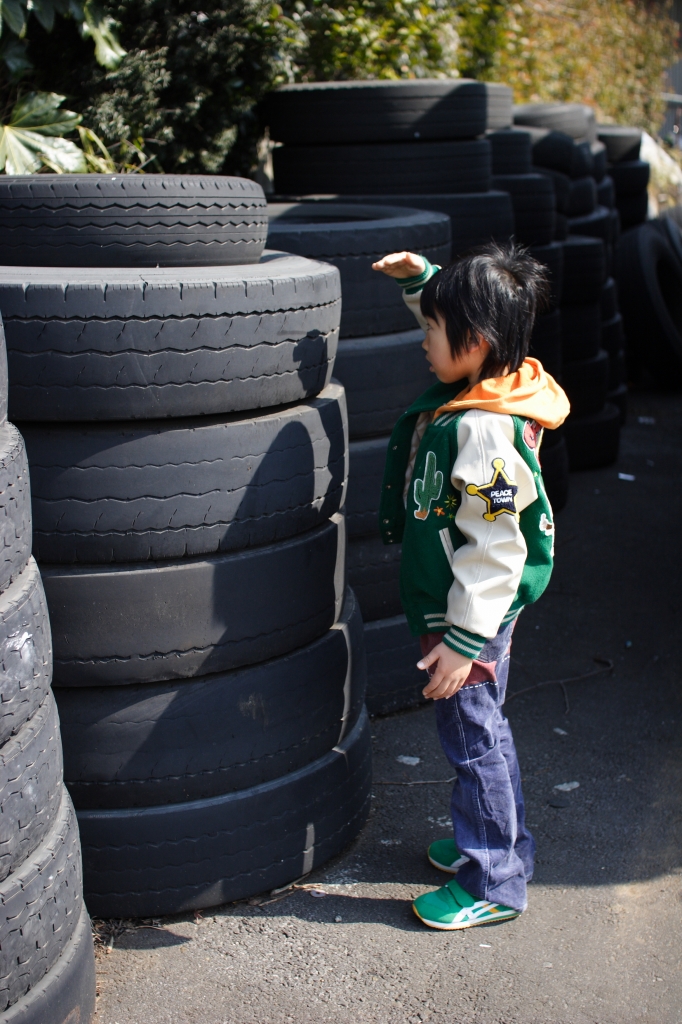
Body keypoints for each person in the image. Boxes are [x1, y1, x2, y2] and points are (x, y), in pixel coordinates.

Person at [371, 243, 570, 930]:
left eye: (431, 329)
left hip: (468, 614)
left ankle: (495, 878)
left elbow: (494, 547)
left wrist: (462, 642)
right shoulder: (496, 378)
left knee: (472, 737)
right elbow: (456, 321)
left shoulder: (485, 429)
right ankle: (493, 837)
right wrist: (425, 283)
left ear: (477, 342)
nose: (424, 340)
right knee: (486, 731)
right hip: (473, 611)